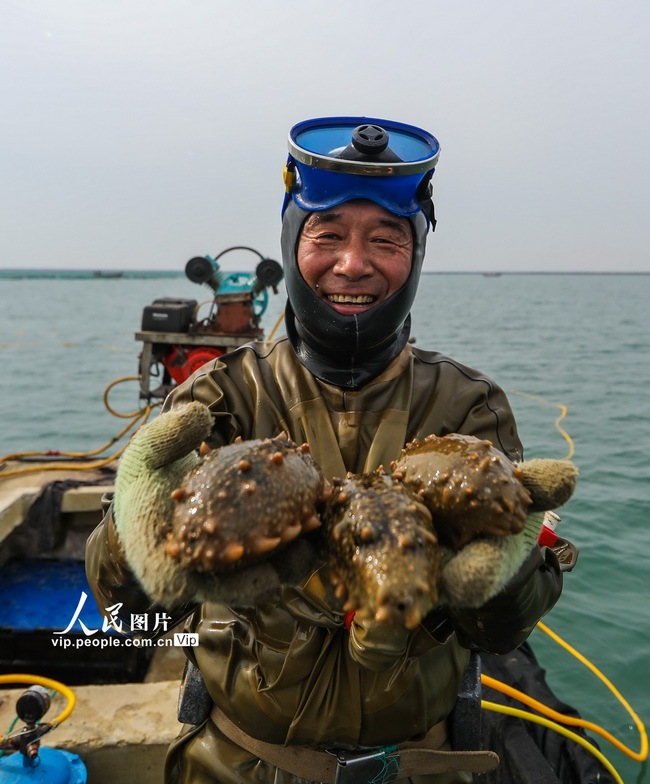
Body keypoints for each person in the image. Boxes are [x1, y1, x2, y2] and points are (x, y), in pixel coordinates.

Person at [86, 116, 569, 784]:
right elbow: (123, 614)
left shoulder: (469, 405)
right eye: (329, 234)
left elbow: (505, 633)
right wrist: (129, 528)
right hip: (232, 763)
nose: (353, 263)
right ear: (292, 244)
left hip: (420, 765)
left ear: (417, 254)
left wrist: (507, 575)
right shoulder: (218, 395)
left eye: (385, 239)